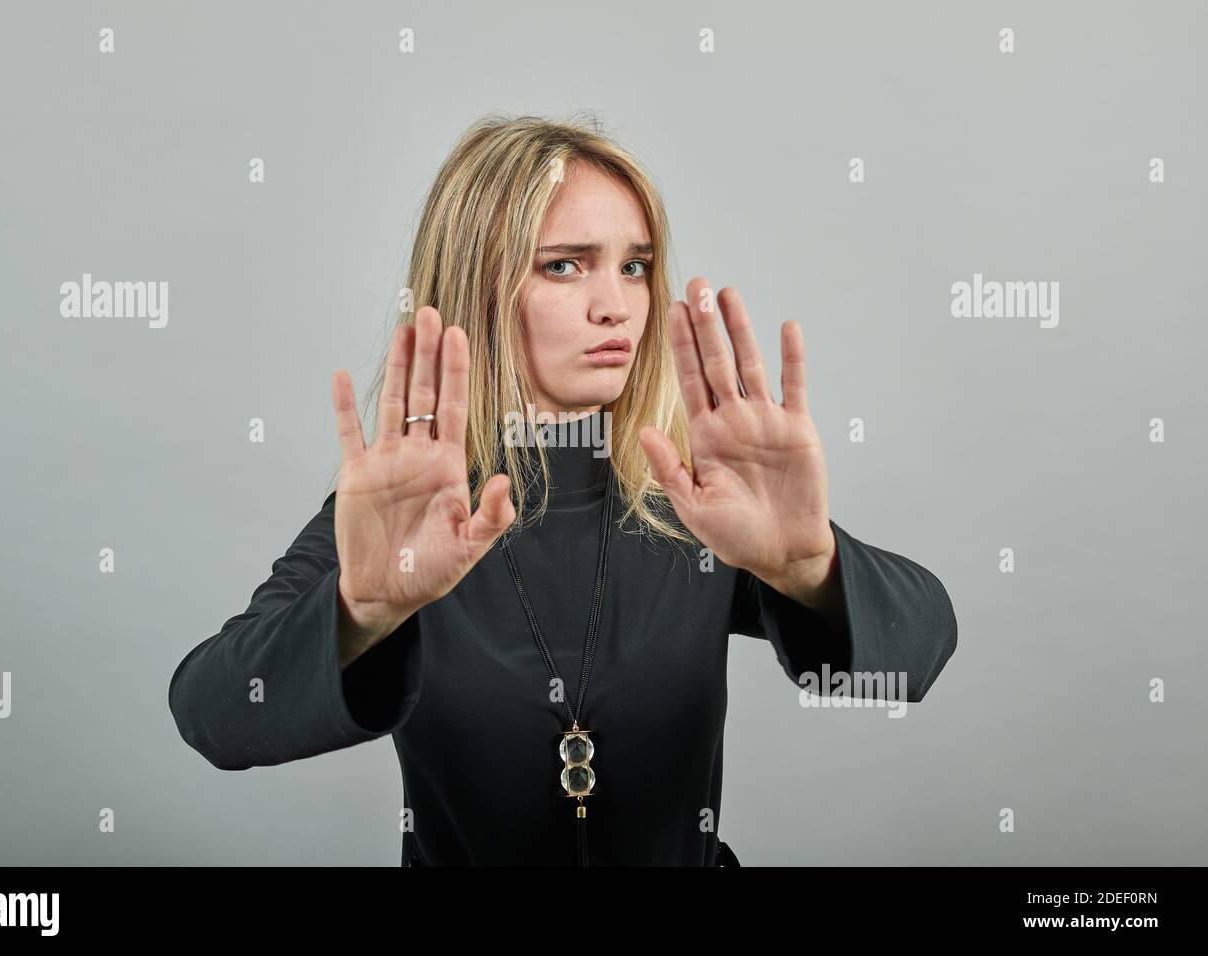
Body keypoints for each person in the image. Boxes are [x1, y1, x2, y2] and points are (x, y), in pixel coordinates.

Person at [168, 113, 958, 866]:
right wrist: (361, 612)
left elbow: (917, 655)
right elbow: (213, 715)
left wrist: (809, 564)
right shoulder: (403, 521)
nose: (616, 303)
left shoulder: (691, 501)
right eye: (564, 264)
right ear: (479, 287)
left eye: (635, 265)